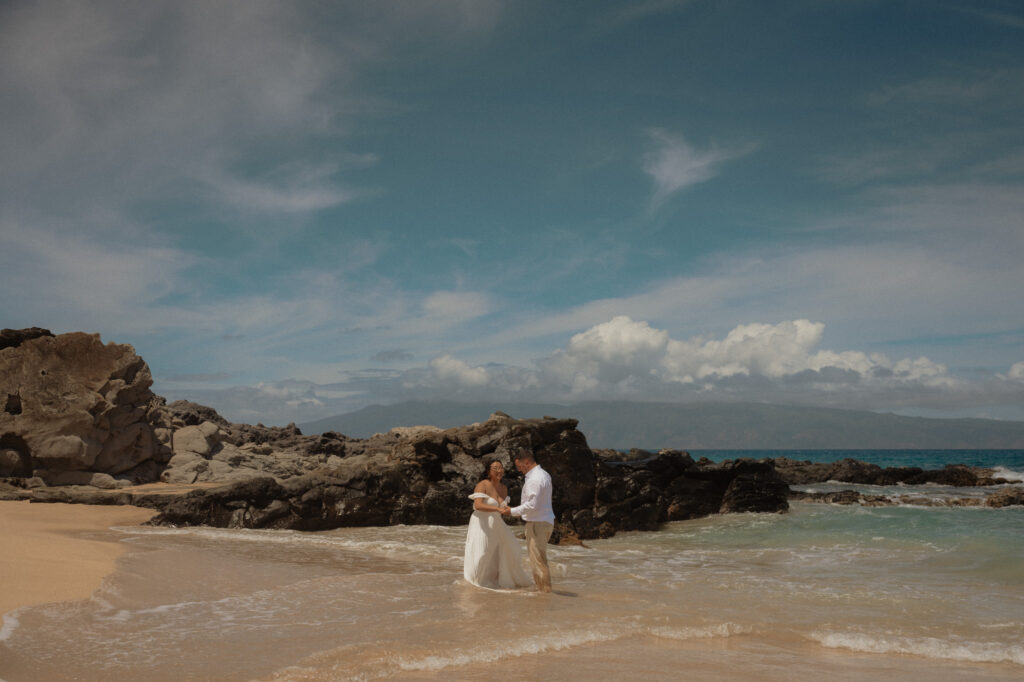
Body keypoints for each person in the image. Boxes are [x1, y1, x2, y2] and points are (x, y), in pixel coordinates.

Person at [463, 459, 533, 590]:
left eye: (501, 468)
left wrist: (520, 512)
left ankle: (496, 579)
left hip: (496, 523)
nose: (499, 471)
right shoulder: (483, 484)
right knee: (482, 552)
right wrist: (496, 509)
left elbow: (503, 507)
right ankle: (475, 581)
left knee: (511, 547)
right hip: (481, 522)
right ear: (488, 471)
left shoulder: (503, 488)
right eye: (495, 468)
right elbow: (477, 505)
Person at [501, 450, 555, 593]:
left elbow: (532, 505)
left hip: (538, 523)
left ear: (526, 462)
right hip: (545, 521)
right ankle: (544, 592)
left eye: (519, 466)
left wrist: (511, 511)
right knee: (540, 559)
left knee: (538, 561)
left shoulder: (535, 479)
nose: (518, 469)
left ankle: (544, 594)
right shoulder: (544, 474)